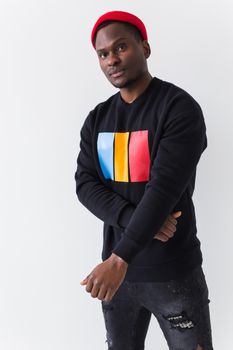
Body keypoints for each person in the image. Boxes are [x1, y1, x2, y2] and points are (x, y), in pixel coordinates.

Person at [74, 10, 213, 350]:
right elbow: (85, 183)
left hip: (171, 272)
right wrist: (134, 224)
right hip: (116, 280)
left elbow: (163, 189)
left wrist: (120, 258)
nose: (112, 60)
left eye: (121, 47)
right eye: (103, 54)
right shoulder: (98, 118)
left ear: (145, 48)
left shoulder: (178, 109)